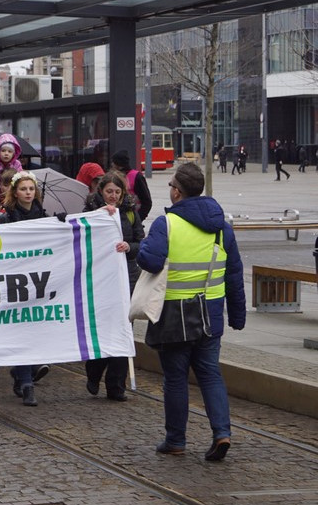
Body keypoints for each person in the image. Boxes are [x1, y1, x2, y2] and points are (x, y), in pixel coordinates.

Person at [137, 162, 245, 461]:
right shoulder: (222, 227)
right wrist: (237, 316)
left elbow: (151, 261)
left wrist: (143, 247)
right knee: (210, 374)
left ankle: (176, 440)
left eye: (171, 184)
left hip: (175, 314)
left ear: (177, 191)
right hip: (211, 313)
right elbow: (234, 274)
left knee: (175, 378)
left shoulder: (167, 224)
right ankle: (222, 433)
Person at [82, 172, 144, 401]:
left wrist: (130, 247)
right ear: (101, 191)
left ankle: (116, 385)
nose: (113, 196)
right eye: (109, 191)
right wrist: (99, 215)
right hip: (101, 278)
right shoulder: (91, 211)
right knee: (103, 327)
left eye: (118, 192)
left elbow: (140, 241)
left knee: (123, 329)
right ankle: (94, 370)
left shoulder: (130, 211)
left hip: (127, 276)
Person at [0, 171, 53, 406]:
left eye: (31, 189)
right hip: (16, 281)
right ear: (15, 192)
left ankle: (22, 374)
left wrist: (60, 224)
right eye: (23, 189)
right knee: (21, 329)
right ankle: (27, 383)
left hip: (39, 280)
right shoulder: (5, 219)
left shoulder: (45, 216)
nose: (28, 193)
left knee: (35, 330)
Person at [110, 151, 152, 221]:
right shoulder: (112, 176)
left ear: (118, 164)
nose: (112, 165)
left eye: (113, 162)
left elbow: (147, 202)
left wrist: (138, 220)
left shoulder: (137, 177)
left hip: (132, 218)